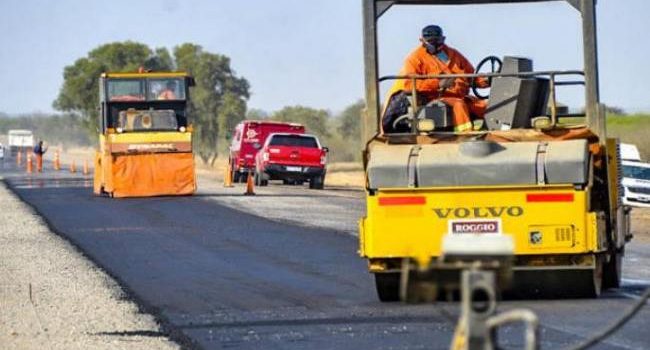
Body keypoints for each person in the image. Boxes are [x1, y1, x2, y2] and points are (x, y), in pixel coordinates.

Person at [383, 25, 490, 133]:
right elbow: (409, 84)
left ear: (443, 39)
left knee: (487, 106)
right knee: (459, 106)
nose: (436, 45)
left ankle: (496, 135)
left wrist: (486, 81)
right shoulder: (415, 59)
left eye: (438, 41)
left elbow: (472, 76)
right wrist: (438, 84)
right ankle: (466, 137)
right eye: (431, 41)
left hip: (460, 96)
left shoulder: (454, 55)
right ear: (422, 40)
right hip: (432, 98)